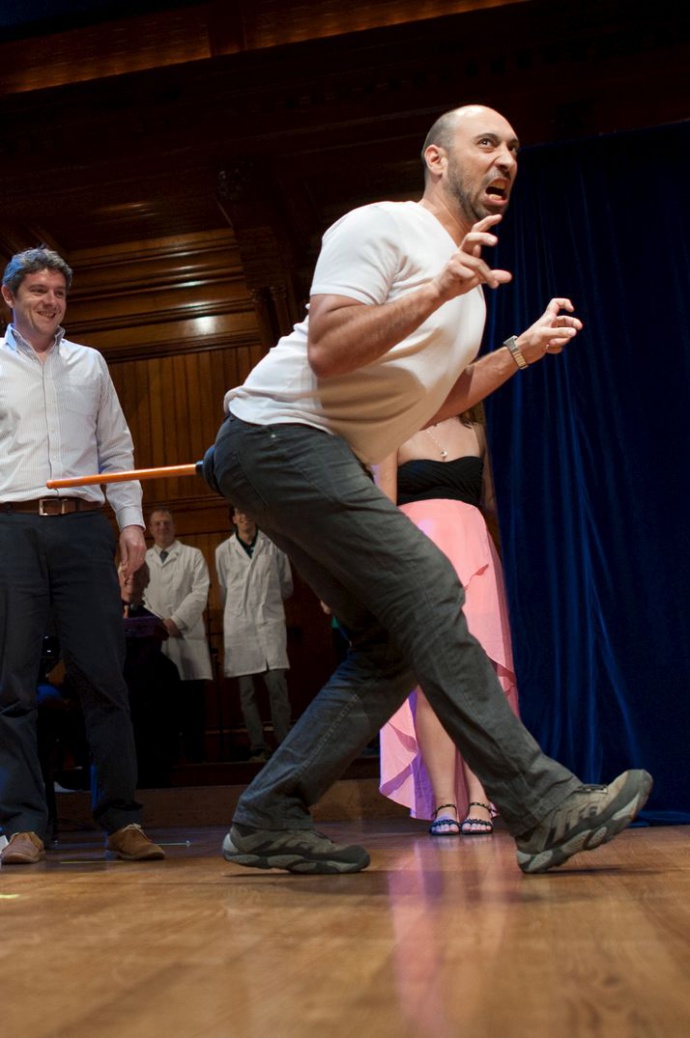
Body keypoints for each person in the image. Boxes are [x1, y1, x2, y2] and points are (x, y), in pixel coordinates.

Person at [206, 104, 652, 876]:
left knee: (389, 648)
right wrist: (437, 289)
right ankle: (542, 807)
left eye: (514, 146)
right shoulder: (378, 227)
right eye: (487, 143)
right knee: (427, 585)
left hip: (314, 453)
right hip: (276, 435)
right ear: (437, 159)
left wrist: (519, 351)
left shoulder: (471, 292)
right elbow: (330, 349)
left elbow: (431, 400)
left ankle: (267, 814)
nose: (506, 157)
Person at [0, 247, 165, 864]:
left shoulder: (88, 364)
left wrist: (130, 524)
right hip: (11, 528)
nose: (50, 301)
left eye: (59, 292)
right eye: (38, 290)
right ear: (10, 297)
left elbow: (116, 451)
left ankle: (122, 820)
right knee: (12, 683)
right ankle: (23, 825)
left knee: (104, 677)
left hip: (81, 531)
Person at [375, 410, 519, 836]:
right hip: (417, 560)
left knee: (482, 677)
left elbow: (491, 501)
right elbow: (379, 512)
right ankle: (444, 803)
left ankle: (481, 796)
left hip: (475, 554)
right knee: (431, 682)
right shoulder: (393, 427)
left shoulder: (479, 432)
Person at [215, 507, 294, 761]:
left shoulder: (274, 546)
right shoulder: (222, 552)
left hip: (269, 623)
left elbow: (286, 585)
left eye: (248, 511)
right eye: (239, 512)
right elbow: (225, 590)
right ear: (234, 518)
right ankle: (258, 746)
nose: (245, 517)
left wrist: (265, 604)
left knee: (277, 687)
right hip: (240, 627)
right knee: (247, 693)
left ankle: (283, 743)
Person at [144, 508, 213, 763]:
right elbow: (139, 596)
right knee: (162, 711)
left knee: (192, 708)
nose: (162, 527)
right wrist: (158, 625)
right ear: (150, 529)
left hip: (187, 640)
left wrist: (175, 621)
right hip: (156, 644)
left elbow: (199, 593)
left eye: (166, 523)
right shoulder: (143, 559)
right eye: (157, 524)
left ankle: (197, 763)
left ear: (174, 526)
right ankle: (167, 762)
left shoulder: (192, 556)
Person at [119, 561, 181, 787]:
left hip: (143, 685)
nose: (131, 580)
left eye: (137, 576)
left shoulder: (151, 619)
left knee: (166, 674)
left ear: (145, 582)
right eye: (126, 575)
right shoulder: (103, 612)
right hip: (114, 678)